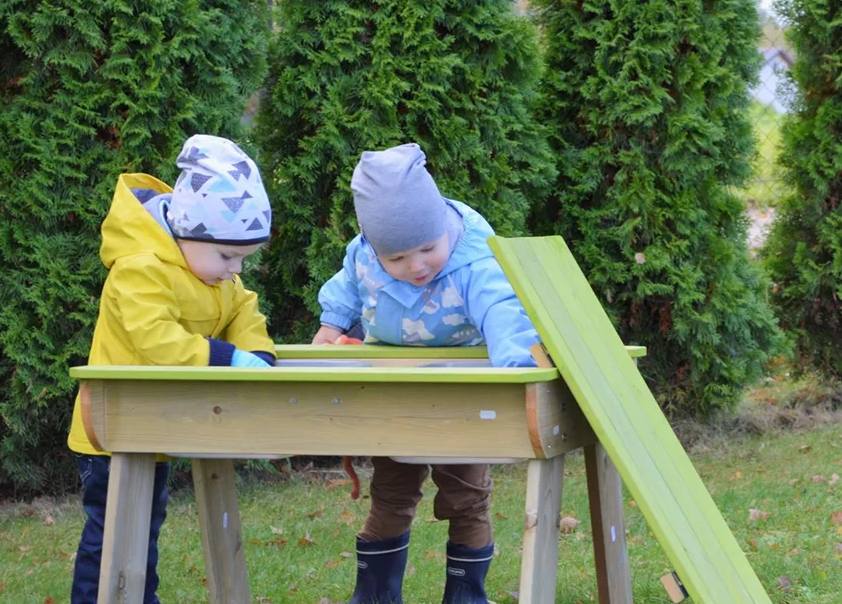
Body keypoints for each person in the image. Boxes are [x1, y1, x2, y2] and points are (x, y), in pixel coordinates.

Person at [313, 143, 541, 604]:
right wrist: (329, 329)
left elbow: (503, 310)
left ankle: (466, 597)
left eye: (427, 249)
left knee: (466, 495)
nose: (415, 266)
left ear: (444, 228)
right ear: (375, 249)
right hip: (395, 395)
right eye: (396, 259)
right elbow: (346, 289)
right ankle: (375, 596)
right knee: (390, 494)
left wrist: (516, 369)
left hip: (461, 396)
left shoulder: (474, 261)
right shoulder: (364, 257)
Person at [67, 135, 276, 603]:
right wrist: (227, 358)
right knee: (112, 539)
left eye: (242, 258)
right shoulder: (140, 268)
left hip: (152, 425)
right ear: (187, 232)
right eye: (227, 256)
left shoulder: (210, 270)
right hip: (112, 427)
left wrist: (258, 354)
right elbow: (156, 339)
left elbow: (245, 311)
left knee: (144, 532)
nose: (233, 269)